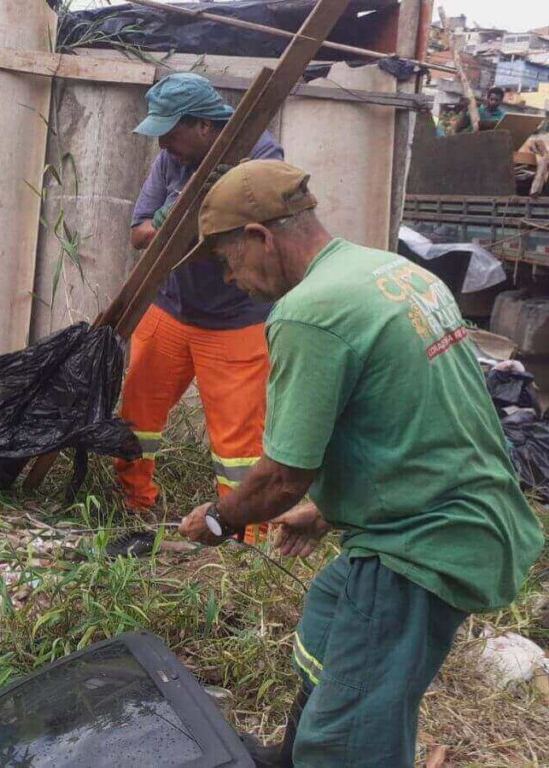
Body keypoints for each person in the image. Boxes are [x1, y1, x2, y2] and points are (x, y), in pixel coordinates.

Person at [178, 159, 544, 767]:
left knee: (348, 739)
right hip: (472, 510)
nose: (230, 279)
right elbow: (414, 417)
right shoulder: (391, 271)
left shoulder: (309, 312)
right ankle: (292, 755)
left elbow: (279, 479)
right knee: (327, 615)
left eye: (227, 260)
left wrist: (218, 519)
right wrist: (325, 511)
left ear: (260, 237)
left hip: (421, 543)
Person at [118, 72, 282, 542]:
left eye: (170, 133)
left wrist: (202, 211)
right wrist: (173, 219)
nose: (163, 144)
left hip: (236, 321)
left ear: (203, 126)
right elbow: (139, 234)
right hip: (169, 309)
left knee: (239, 442)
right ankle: (132, 505)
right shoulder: (170, 160)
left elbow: (253, 232)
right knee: (137, 419)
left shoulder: (261, 154)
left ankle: (244, 537)